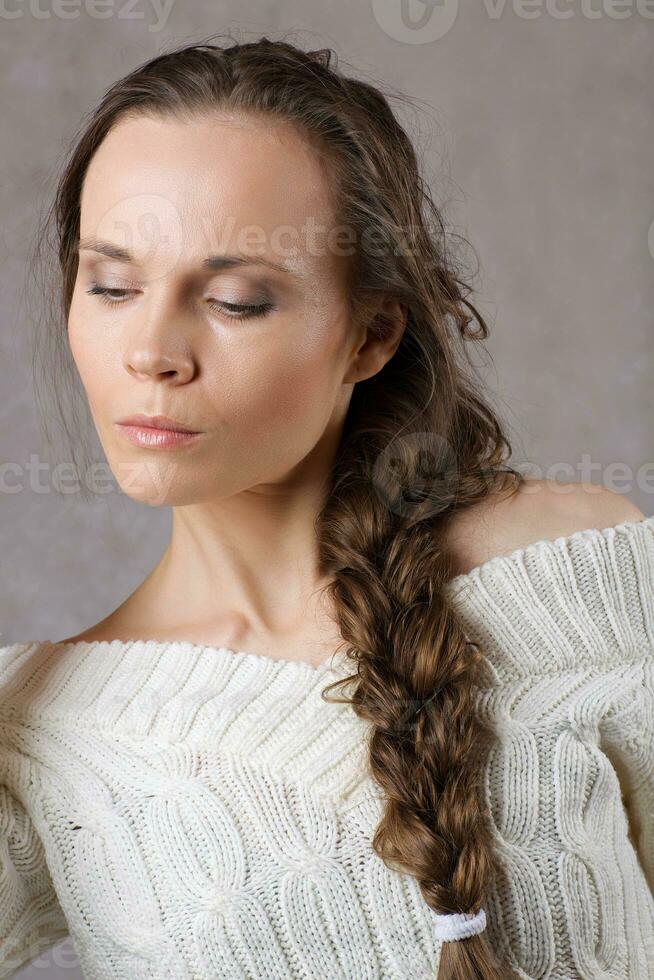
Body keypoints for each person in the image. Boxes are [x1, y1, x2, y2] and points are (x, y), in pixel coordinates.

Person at [1, 35, 652, 980]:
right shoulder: (38, 734)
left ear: (371, 335)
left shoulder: (575, 567)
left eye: (232, 301)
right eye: (111, 285)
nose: (151, 350)